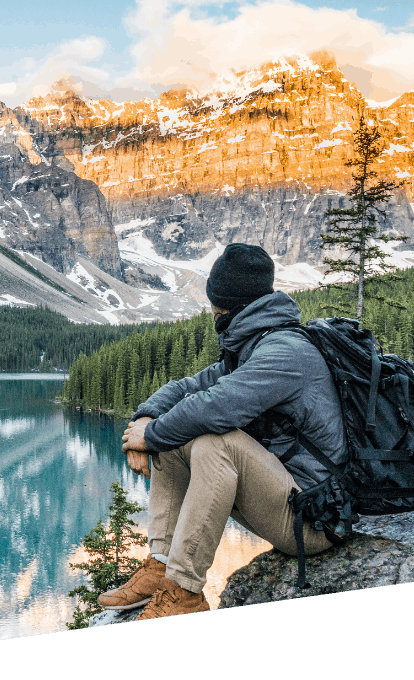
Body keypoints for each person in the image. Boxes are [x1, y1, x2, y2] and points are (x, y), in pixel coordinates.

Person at [99, 243, 346, 619]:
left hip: (314, 519)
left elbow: (216, 408)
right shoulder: (252, 346)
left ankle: (185, 593)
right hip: (287, 499)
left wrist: (148, 437)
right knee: (176, 437)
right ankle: (163, 564)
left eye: (213, 297)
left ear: (224, 302)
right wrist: (146, 420)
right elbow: (185, 388)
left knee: (216, 441)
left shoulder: (284, 352)